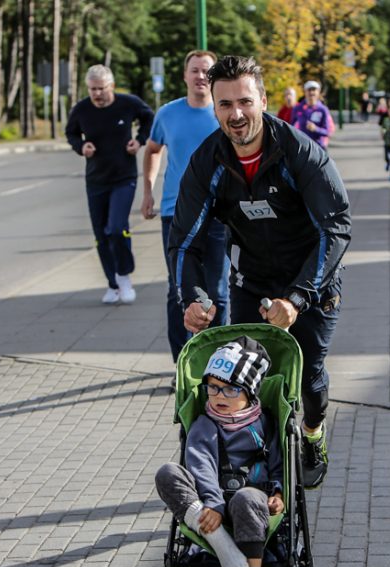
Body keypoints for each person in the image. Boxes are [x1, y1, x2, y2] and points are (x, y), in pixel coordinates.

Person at [168, 56, 351, 489]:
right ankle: (253, 469)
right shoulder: (207, 161)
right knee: (247, 376)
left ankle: (312, 433)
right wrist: (192, 297)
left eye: (245, 102)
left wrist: (299, 297)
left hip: (311, 282)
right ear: (213, 106)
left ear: (263, 101)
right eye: (225, 104)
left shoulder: (300, 152)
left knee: (307, 375)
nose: (236, 115)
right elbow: (185, 240)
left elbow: (336, 227)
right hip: (251, 281)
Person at [155, 336, 282, 567]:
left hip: (253, 503)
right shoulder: (205, 424)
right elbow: (200, 466)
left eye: (230, 389)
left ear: (249, 392)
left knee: (246, 496)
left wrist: (280, 492)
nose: (219, 396)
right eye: (212, 387)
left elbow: (278, 464)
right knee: (168, 473)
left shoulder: (266, 424)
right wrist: (213, 504)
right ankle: (218, 539)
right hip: (207, 505)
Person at [141, 50, 230, 366]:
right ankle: (183, 364)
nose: (200, 76)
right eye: (194, 70)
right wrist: (148, 191)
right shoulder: (167, 113)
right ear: (185, 76)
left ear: (214, 76)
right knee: (178, 290)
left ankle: (219, 365)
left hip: (219, 212)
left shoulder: (223, 113)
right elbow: (152, 150)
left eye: (206, 70)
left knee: (218, 290)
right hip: (175, 211)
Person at [66, 64, 154, 305]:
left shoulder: (128, 103)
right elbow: (71, 133)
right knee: (100, 235)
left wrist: (139, 140)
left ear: (111, 86)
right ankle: (112, 283)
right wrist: (81, 147)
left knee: (116, 228)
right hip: (96, 180)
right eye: (92, 89)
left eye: (101, 89)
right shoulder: (81, 109)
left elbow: (148, 117)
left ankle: (124, 275)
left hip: (124, 177)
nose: (97, 94)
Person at [291, 80, 333, 149]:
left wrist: (316, 129)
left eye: (314, 90)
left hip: (319, 148)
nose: (311, 92)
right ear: (305, 92)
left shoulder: (323, 109)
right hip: (303, 147)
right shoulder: (298, 108)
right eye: (309, 90)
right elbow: (291, 127)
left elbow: (327, 132)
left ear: (318, 92)